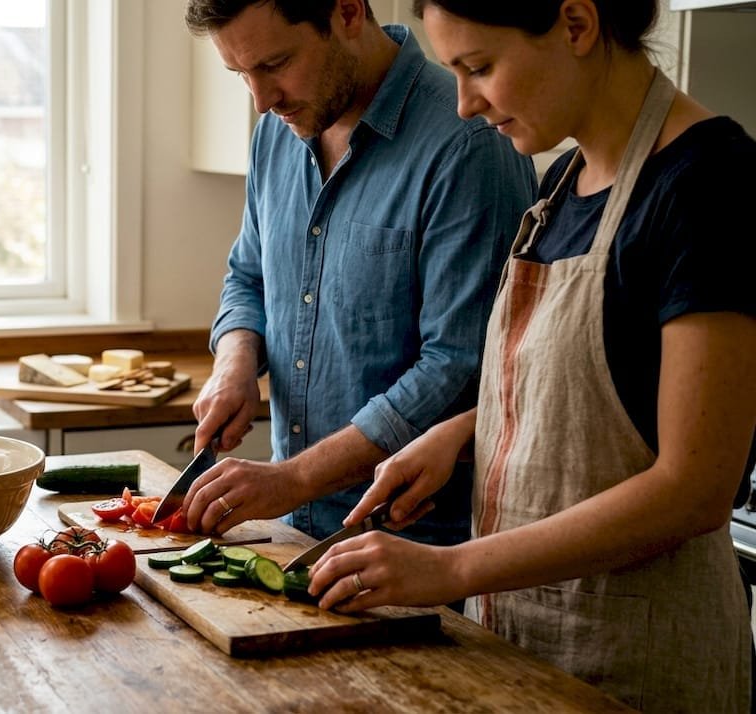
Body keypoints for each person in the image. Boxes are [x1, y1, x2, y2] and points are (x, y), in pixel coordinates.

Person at [305, 1, 756, 710]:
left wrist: (450, 569)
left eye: (479, 68)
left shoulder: (708, 182)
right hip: (521, 651)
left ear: (576, 25)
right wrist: (459, 435)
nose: (462, 104)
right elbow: (582, 387)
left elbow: (695, 488)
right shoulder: (560, 185)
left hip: (637, 669)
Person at [178, 0, 537, 558]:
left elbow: (460, 367)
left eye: (274, 63)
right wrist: (235, 364)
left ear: (346, 13)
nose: (261, 99)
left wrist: (294, 477)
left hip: (414, 553)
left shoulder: (468, 143)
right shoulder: (275, 132)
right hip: (292, 532)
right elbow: (248, 276)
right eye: (241, 74)